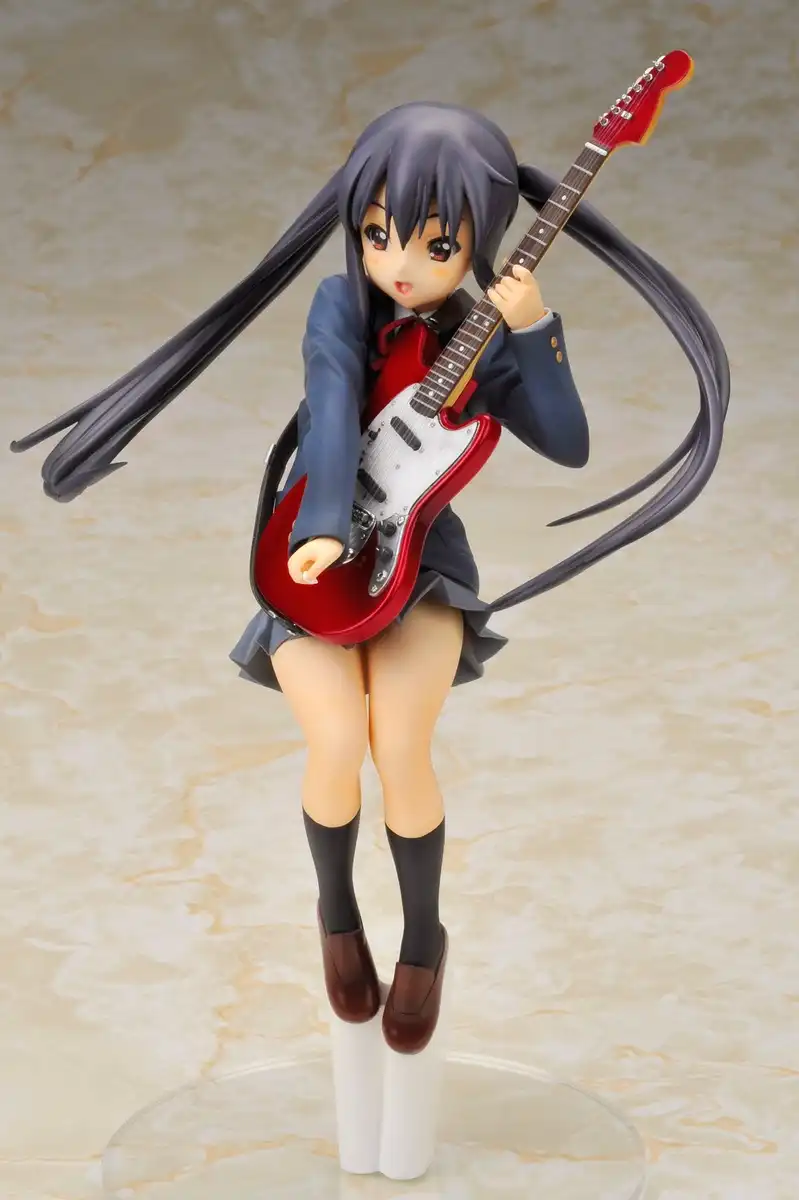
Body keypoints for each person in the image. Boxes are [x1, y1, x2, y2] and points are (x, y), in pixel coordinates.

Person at [9, 101, 729, 1055]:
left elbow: (568, 444)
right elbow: (330, 402)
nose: (401, 262)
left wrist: (535, 331)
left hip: (419, 568)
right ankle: (337, 915)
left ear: (479, 237)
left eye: (437, 245)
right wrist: (319, 525)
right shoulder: (340, 305)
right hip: (311, 553)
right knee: (336, 738)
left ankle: (424, 939)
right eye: (379, 233)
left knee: (401, 746)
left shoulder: (482, 334)